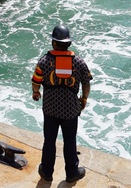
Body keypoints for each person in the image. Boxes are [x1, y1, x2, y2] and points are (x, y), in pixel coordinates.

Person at [31, 24, 92, 184]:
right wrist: (84, 99)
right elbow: (86, 83)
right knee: (70, 141)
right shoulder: (78, 62)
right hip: (71, 110)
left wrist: (36, 92)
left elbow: (36, 80)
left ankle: (46, 171)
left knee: (49, 140)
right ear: (68, 43)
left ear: (54, 43)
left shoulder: (44, 61)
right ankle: (72, 172)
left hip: (50, 109)